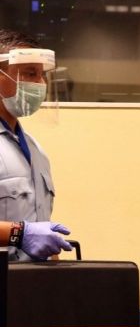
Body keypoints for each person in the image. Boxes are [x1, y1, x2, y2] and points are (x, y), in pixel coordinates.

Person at [0, 29, 73, 261]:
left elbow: (39, 227)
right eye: (30, 73)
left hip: (31, 279)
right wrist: (19, 234)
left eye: (42, 75)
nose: (40, 84)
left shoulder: (35, 150)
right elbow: (28, 234)